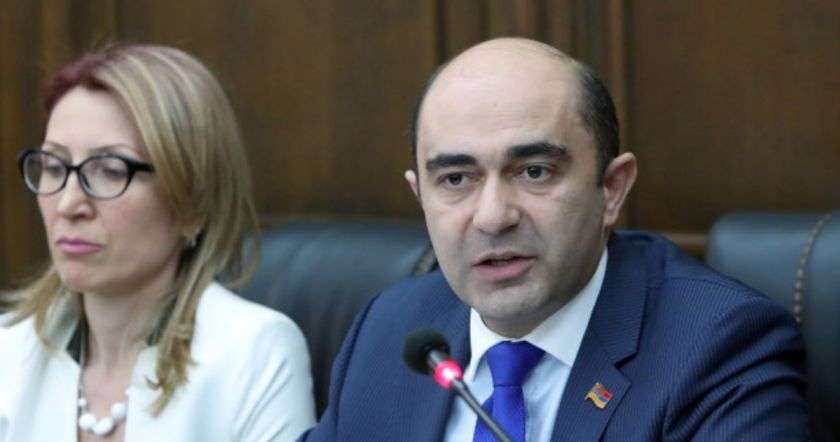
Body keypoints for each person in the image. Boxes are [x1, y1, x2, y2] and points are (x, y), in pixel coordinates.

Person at [302, 38, 807, 441]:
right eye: (456, 179)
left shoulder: (719, 348)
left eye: (534, 171)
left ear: (612, 189)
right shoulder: (390, 329)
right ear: (420, 197)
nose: (492, 217)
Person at [0, 44, 315, 441]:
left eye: (110, 170)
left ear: (192, 202)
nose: (68, 204)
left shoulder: (255, 353)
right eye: (54, 166)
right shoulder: (9, 351)